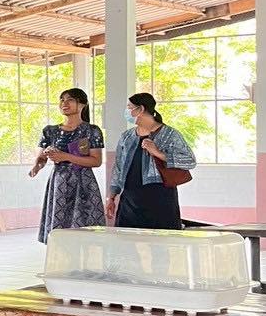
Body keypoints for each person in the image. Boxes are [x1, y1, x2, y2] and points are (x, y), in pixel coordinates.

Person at [107, 92, 197, 230]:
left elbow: (190, 161)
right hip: (129, 201)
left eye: (129, 107)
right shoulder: (127, 137)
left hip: (160, 199)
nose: (127, 111)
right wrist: (111, 197)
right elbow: (118, 168)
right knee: (125, 239)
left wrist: (158, 153)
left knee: (161, 240)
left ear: (141, 109)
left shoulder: (169, 134)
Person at [30, 88, 105, 243]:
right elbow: (41, 158)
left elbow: (96, 161)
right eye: (62, 99)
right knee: (61, 230)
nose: (64, 103)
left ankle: (86, 257)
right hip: (59, 183)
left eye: (70, 99)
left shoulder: (92, 131)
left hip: (84, 183)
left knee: (86, 229)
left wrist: (65, 156)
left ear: (82, 104)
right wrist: (38, 164)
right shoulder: (49, 131)